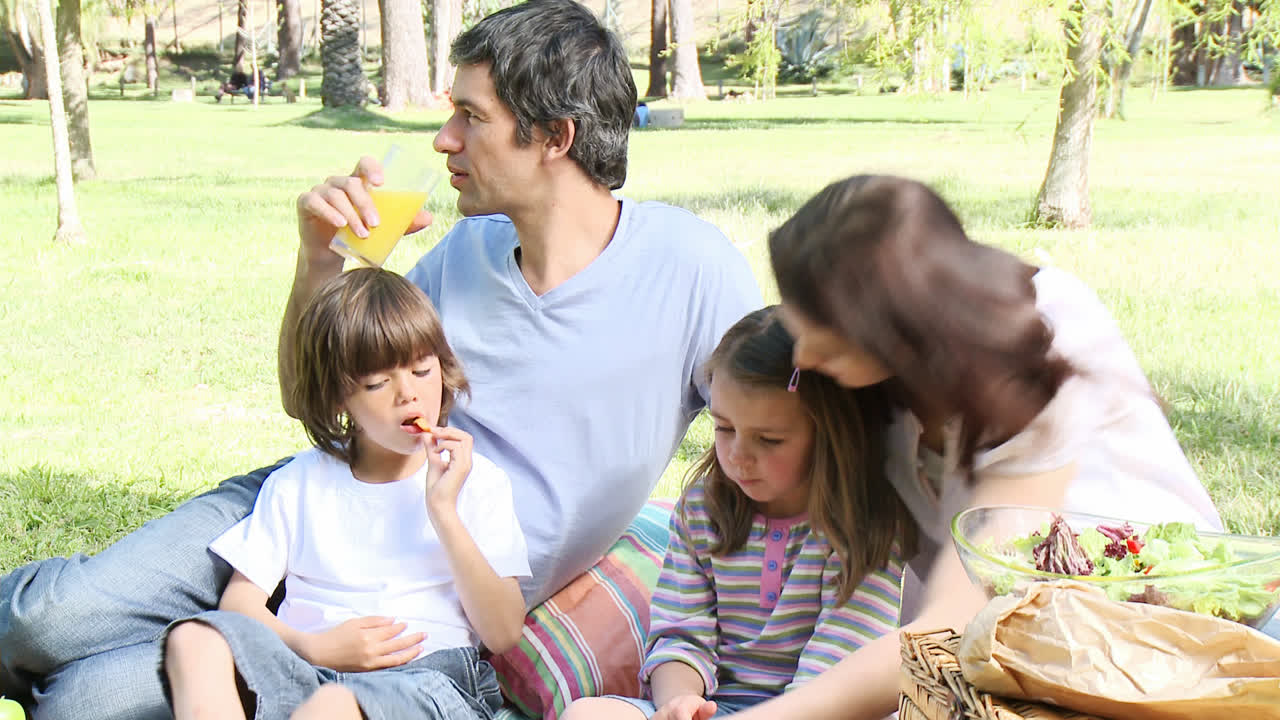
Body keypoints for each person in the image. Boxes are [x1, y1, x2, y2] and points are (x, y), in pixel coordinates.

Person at [0, 1, 761, 717]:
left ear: (554, 137)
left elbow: (794, 427)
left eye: (471, 116)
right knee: (43, 621)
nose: (442, 140)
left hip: (428, 595)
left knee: (89, 698)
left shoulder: (689, 267)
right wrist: (320, 262)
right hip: (322, 502)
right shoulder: (468, 249)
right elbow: (317, 397)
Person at [716, 174, 1224, 720]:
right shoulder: (858, 377)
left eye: (822, 326)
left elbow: (961, 614)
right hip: (986, 647)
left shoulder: (1040, 338)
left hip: (1140, 632)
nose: (805, 352)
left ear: (893, 322)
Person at [163, 268, 527, 720]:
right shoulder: (301, 482)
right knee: (193, 640)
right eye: (377, 384)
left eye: (421, 370)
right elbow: (239, 603)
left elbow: (504, 631)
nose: (408, 394)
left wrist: (443, 511)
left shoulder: (477, 481)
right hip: (307, 667)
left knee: (334, 706)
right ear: (338, 397)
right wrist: (313, 646)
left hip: (425, 680)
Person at [562, 307, 912, 720]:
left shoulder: (864, 525)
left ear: (831, 435)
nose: (738, 457)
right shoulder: (704, 508)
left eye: (769, 439)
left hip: (823, 710)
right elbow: (681, 632)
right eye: (724, 428)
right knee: (588, 715)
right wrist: (679, 700)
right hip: (721, 708)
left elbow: (840, 664)